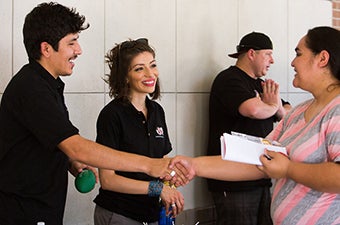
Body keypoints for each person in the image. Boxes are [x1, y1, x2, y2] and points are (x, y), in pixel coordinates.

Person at [0, 3, 187, 225]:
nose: (78, 50)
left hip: (46, 207)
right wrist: (149, 167)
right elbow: (78, 148)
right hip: (23, 209)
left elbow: (53, 142)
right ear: (46, 49)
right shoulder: (31, 88)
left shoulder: (50, 86)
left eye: (152, 65)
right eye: (71, 43)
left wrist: (72, 162)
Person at [172, 26, 340, 225]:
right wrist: (194, 165)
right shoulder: (297, 112)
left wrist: (288, 170)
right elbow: (257, 158)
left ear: (322, 59)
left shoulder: (336, 109)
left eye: (298, 53)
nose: (292, 62)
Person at [93, 38, 184, 225]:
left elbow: (161, 162)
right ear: (125, 76)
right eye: (139, 68)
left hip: (150, 213)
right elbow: (108, 180)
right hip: (119, 214)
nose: (150, 74)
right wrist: (157, 189)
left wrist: (173, 177)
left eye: (153, 65)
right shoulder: (111, 115)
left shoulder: (157, 111)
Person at [207, 31, 291, 225]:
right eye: (268, 54)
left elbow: (287, 114)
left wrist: (274, 105)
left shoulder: (263, 85)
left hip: (261, 175)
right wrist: (271, 106)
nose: (272, 60)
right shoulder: (229, 79)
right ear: (252, 53)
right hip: (233, 181)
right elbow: (252, 110)